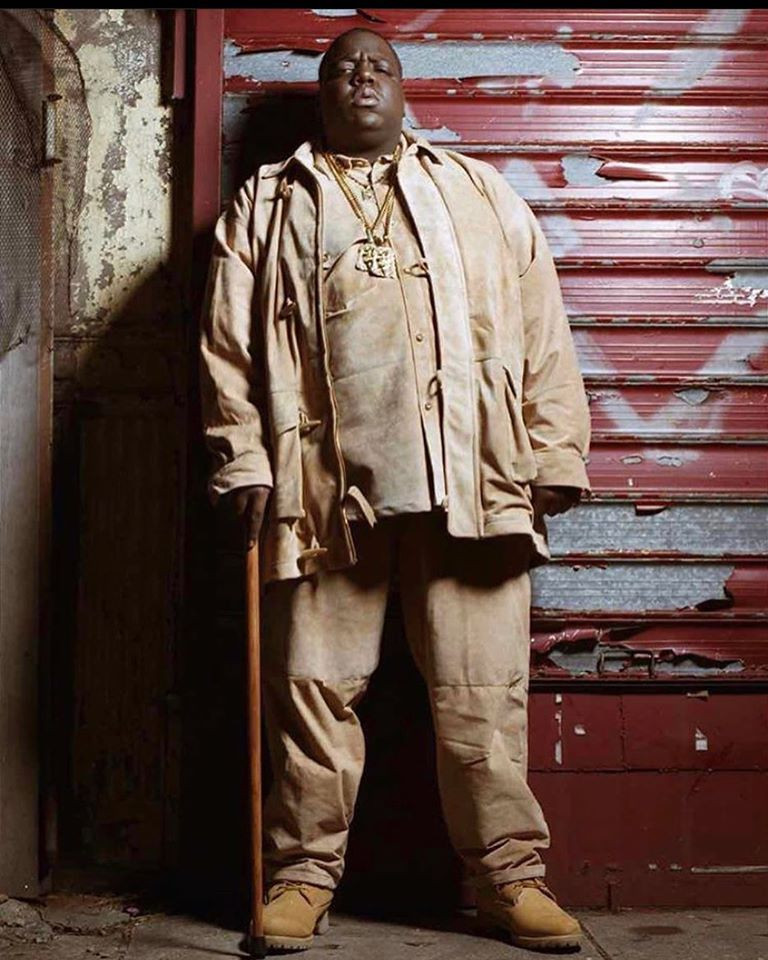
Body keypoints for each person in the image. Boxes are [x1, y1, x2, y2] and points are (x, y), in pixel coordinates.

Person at [200, 27, 591, 954]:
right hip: (321, 491)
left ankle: (508, 878)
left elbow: (542, 325)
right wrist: (243, 460)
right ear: (322, 92)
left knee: (481, 692)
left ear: (405, 89)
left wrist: (554, 454)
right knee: (309, 689)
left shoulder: (479, 192)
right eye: (342, 68)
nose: (361, 78)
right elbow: (227, 349)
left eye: (379, 66)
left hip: (474, 482)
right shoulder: (267, 202)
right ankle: (301, 877)